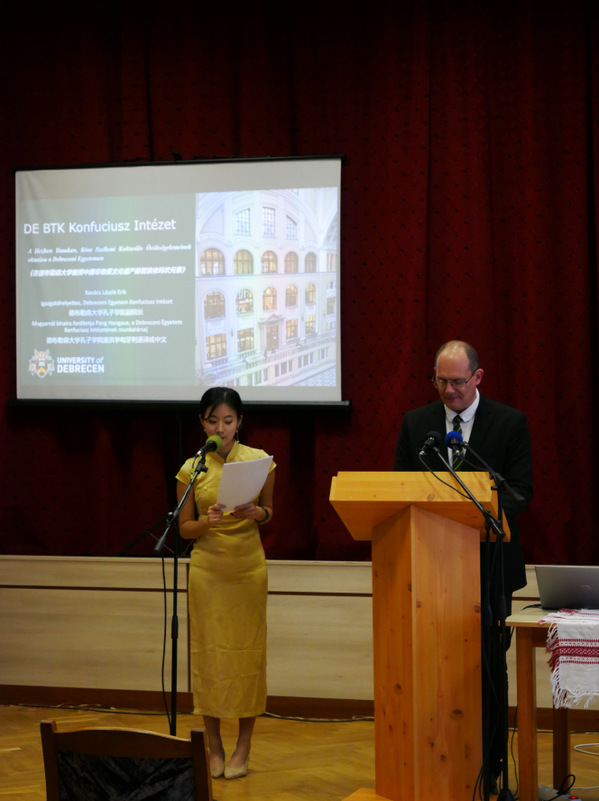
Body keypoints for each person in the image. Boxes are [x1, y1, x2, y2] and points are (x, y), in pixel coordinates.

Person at [393, 340, 533, 794]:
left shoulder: (509, 423)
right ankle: (435, 759)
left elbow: (519, 493)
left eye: (457, 381)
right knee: (431, 665)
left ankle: (490, 765)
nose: (449, 390)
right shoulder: (416, 424)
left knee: (487, 665)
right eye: (441, 381)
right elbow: (398, 488)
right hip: (429, 567)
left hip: (489, 567)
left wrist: (469, 510)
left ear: (477, 377)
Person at [176, 387, 275, 781]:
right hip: (208, 569)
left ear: (239, 422)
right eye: (213, 420)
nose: (221, 428)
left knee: (247, 655)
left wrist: (257, 512)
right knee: (210, 656)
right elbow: (184, 528)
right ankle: (214, 744)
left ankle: (243, 746)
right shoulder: (191, 468)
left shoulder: (259, 461)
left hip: (247, 567)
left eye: (228, 420)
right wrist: (207, 522)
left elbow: (269, 512)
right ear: (202, 423)